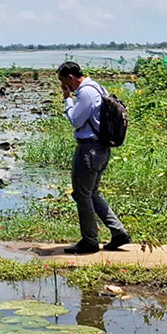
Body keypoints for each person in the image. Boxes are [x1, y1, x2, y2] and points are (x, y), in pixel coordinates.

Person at [58, 61, 130, 254]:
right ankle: (119, 232)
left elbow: (75, 120)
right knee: (92, 193)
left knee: (82, 194)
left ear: (71, 78)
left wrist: (67, 99)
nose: (66, 87)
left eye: (64, 82)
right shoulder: (98, 87)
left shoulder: (86, 92)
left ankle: (89, 240)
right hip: (101, 148)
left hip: (90, 149)